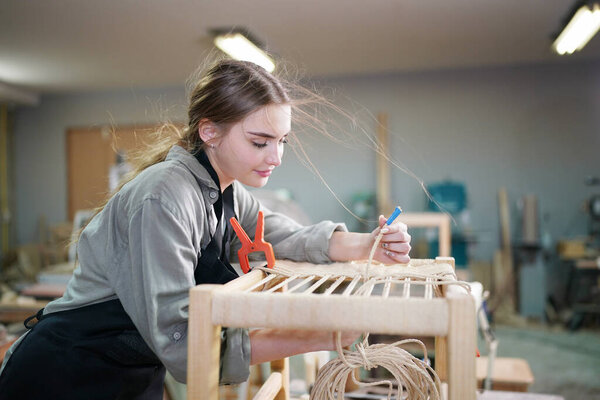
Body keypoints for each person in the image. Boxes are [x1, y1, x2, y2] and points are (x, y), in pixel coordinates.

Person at [0, 59, 411, 399]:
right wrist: (318, 335)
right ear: (209, 131)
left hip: (128, 375)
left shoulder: (222, 189)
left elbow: (280, 234)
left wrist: (366, 244)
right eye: (260, 141)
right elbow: (184, 345)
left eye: (283, 141)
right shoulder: (165, 196)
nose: (277, 156)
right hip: (64, 376)